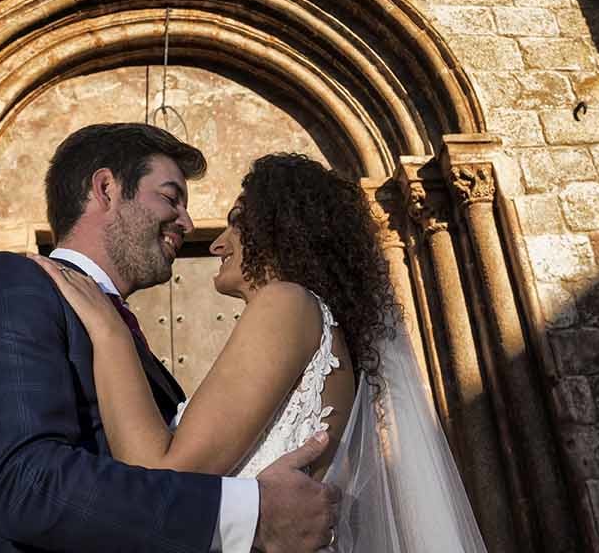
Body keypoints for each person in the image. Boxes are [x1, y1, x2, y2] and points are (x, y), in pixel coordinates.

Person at [32, 152, 489, 552]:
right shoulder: (319, 327)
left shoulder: (286, 302)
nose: (216, 243)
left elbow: (163, 475)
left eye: (235, 222)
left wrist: (109, 329)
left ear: (277, 229)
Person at [0, 124, 339, 553]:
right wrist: (253, 513)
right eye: (170, 197)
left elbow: (161, 483)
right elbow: (25, 484)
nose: (187, 222)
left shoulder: (131, 344)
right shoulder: (12, 283)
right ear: (106, 188)